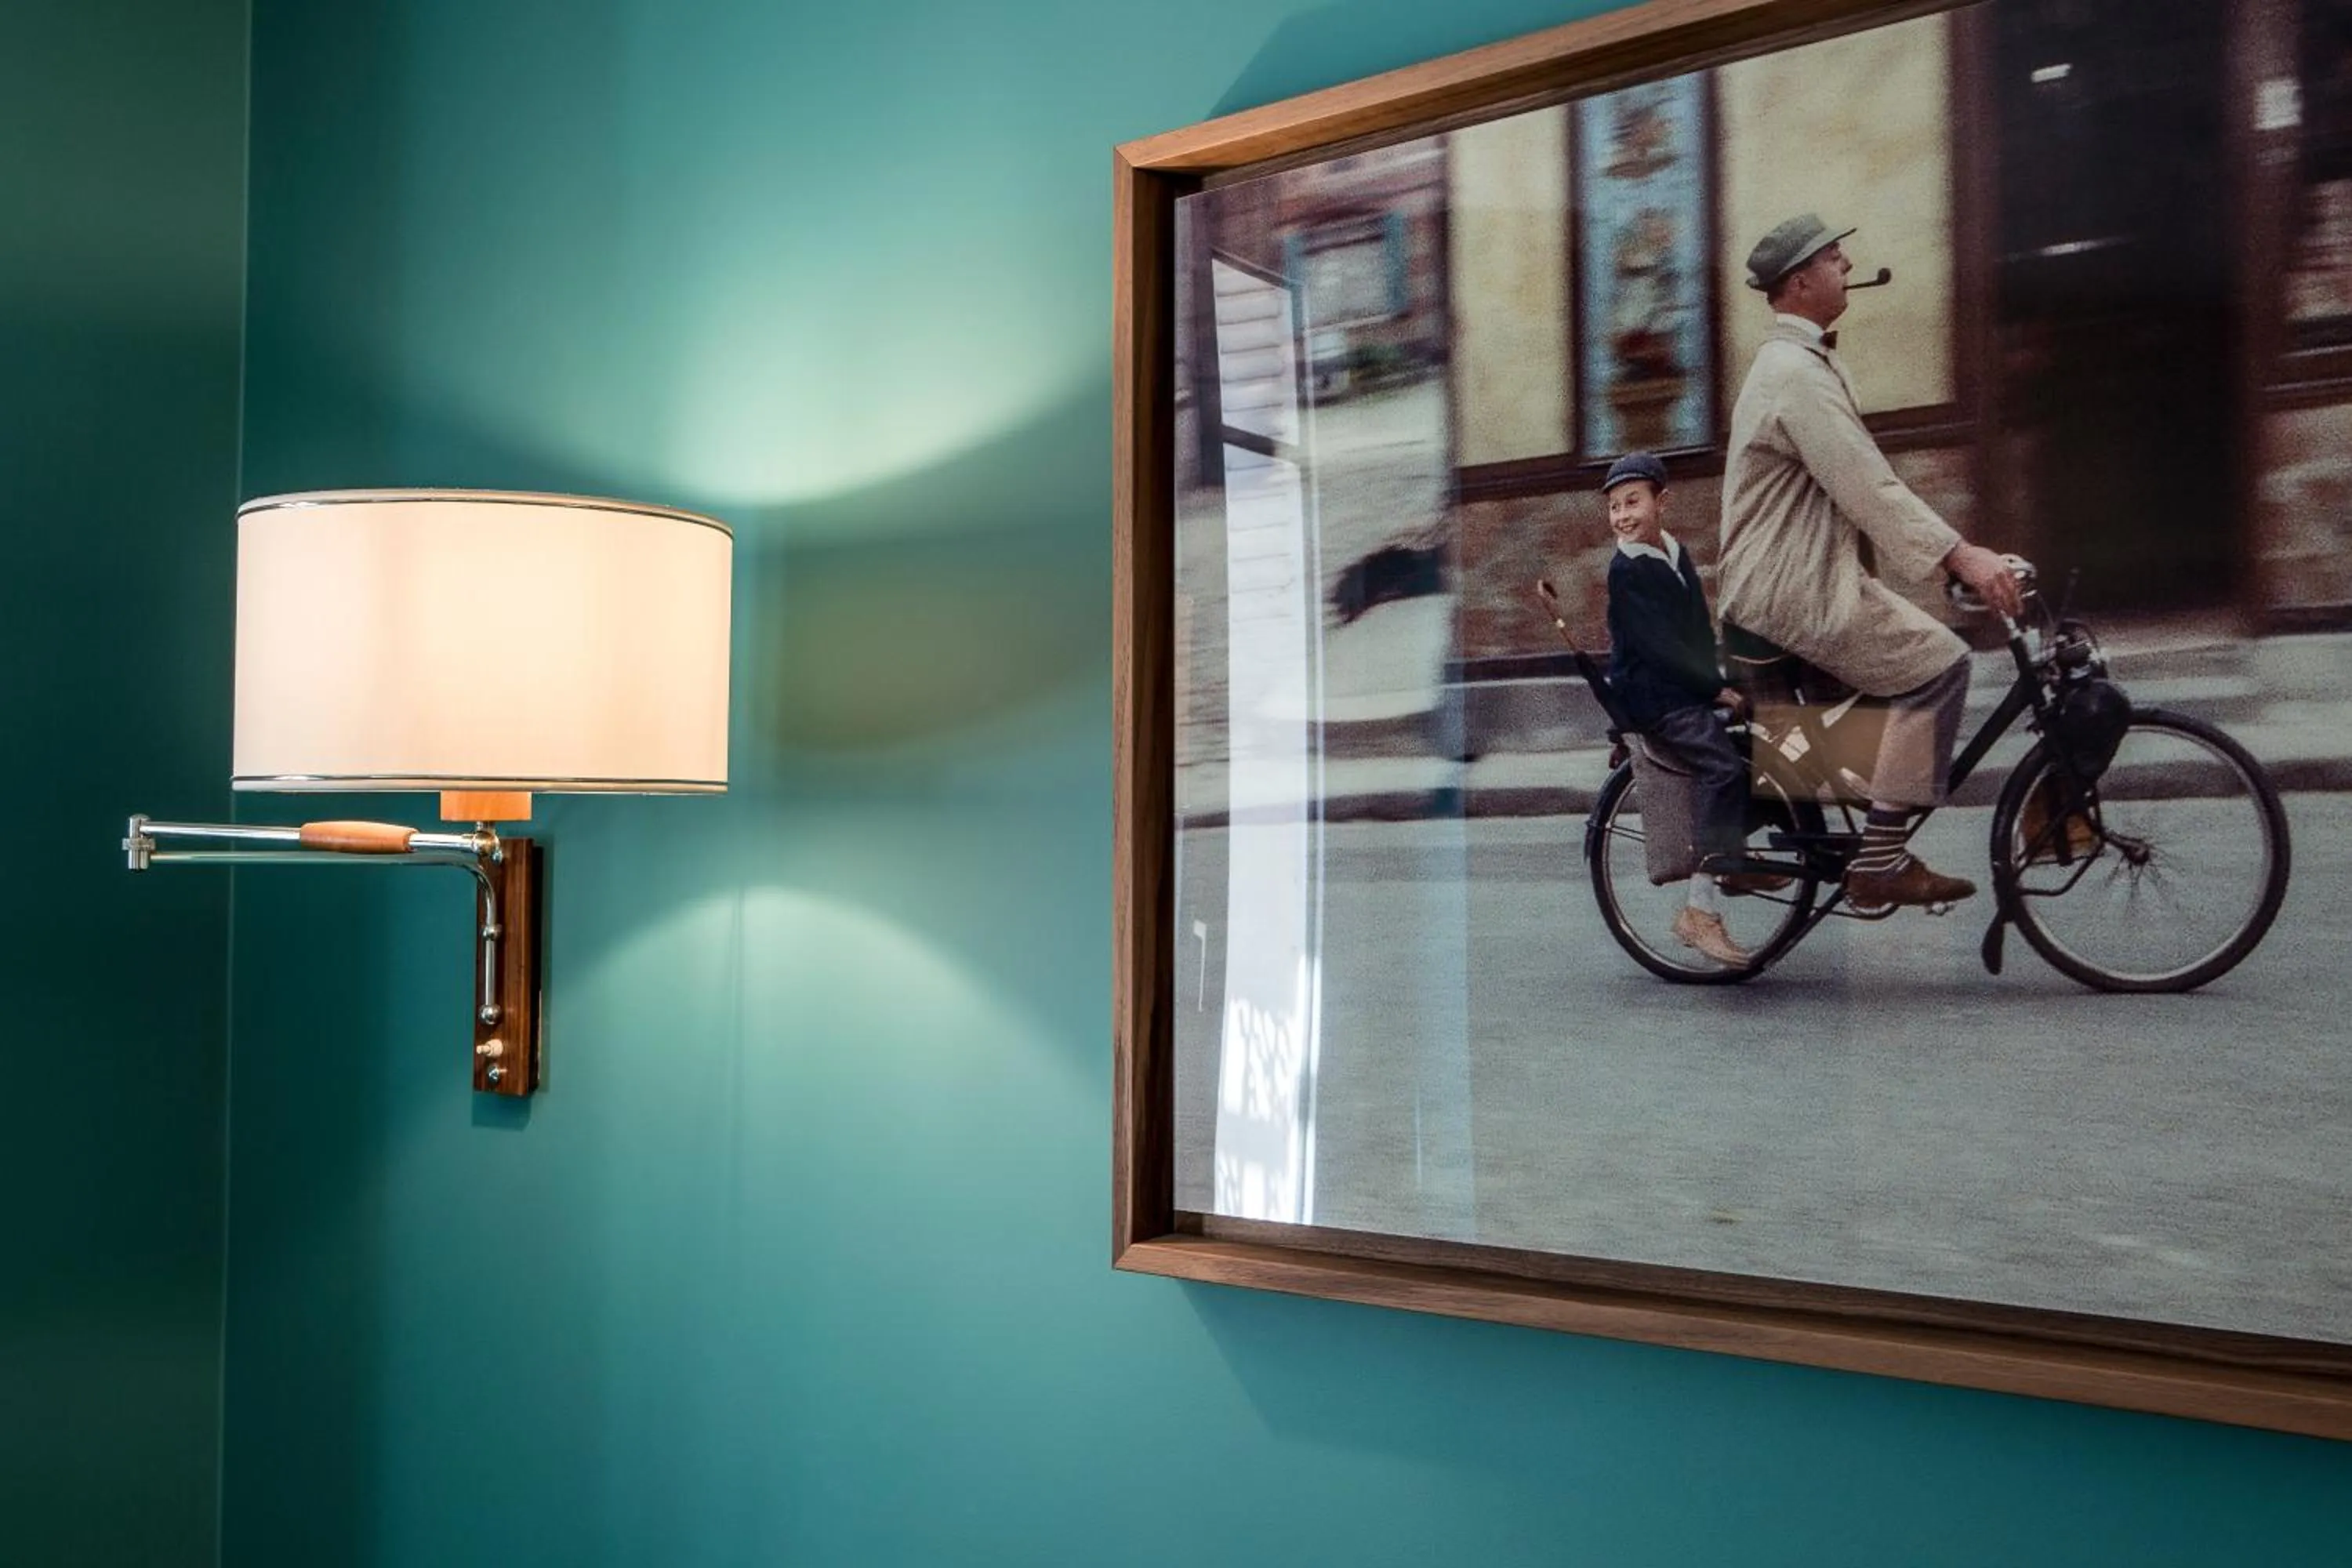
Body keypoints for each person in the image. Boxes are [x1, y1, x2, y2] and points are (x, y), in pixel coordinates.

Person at [1716, 212, 2024, 908]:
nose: (1847, 266)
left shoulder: (1805, 364)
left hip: (1789, 586)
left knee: (1868, 726)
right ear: (1800, 283)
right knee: (1940, 668)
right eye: (1834, 259)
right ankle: (1879, 864)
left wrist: (1945, 560)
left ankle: (1821, 815)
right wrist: (1961, 555)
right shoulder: (1793, 373)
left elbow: (1861, 489)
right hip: (1791, 592)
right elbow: (1867, 485)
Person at [1601, 451, 1773, 967]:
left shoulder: (1674, 554)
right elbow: (1657, 646)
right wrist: (1708, 689)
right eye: (1613, 507)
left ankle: (1731, 858)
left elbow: (1696, 632)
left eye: (1633, 502)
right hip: (1654, 698)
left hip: (1680, 686)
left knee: (1757, 751)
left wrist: (1721, 678)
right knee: (1721, 768)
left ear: (1662, 502)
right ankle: (1699, 913)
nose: (1623, 516)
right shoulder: (1626, 569)